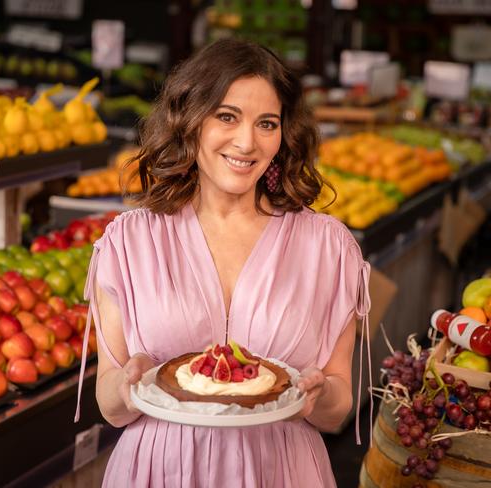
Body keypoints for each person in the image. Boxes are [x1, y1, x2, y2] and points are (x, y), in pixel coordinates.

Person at [74, 38, 371, 487]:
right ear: (190, 120)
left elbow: (337, 409)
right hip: (158, 471)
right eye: (226, 116)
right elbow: (110, 408)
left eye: (267, 123)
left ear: (283, 135)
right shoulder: (130, 241)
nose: (247, 142)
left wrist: (320, 395)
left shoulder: (329, 247)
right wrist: (126, 385)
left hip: (282, 472)